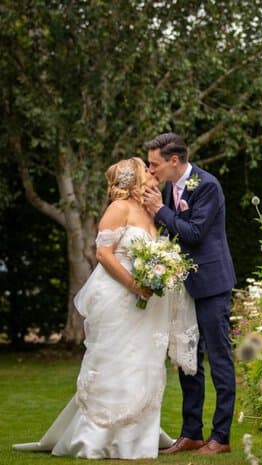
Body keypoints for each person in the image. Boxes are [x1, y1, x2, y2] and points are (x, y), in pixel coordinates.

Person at [12, 157, 198, 459]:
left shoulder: (151, 210)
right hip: (120, 298)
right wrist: (135, 285)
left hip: (148, 304)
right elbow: (103, 253)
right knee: (116, 361)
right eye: (147, 171)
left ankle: (139, 435)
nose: (153, 174)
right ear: (136, 179)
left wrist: (161, 273)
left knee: (144, 363)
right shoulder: (118, 209)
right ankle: (97, 437)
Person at [142, 133, 237, 456]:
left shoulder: (206, 185)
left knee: (219, 359)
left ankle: (221, 437)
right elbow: (173, 233)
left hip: (211, 285)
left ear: (174, 160)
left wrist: (159, 210)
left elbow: (195, 233)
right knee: (188, 360)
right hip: (184, 285)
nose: (150, 170)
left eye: (154, 164)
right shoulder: (170, 188)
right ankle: (191, 433)